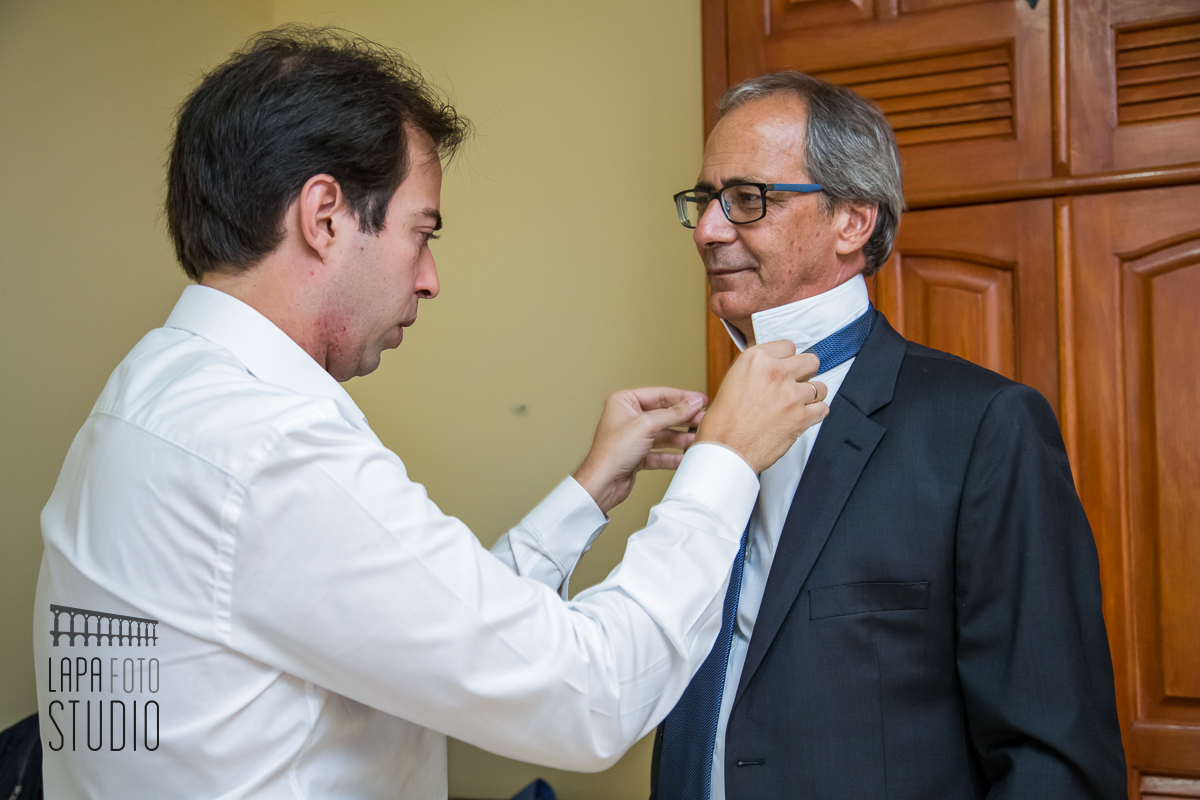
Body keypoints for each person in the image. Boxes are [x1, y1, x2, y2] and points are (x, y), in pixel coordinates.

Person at [32, 29, 833, 799]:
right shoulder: (266, 448)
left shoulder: (148, 397)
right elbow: (588, 696)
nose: (430, 279)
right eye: (422, 233)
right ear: (325, 218)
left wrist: (588, 493)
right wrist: (721, 464)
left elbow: (433, 629)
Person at [650, 71, 1127, 799]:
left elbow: (1051, 754)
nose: (710, 230)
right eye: (706, 201)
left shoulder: (985, 428)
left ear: (853, 220)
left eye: (748, 199)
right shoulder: (714, 433)